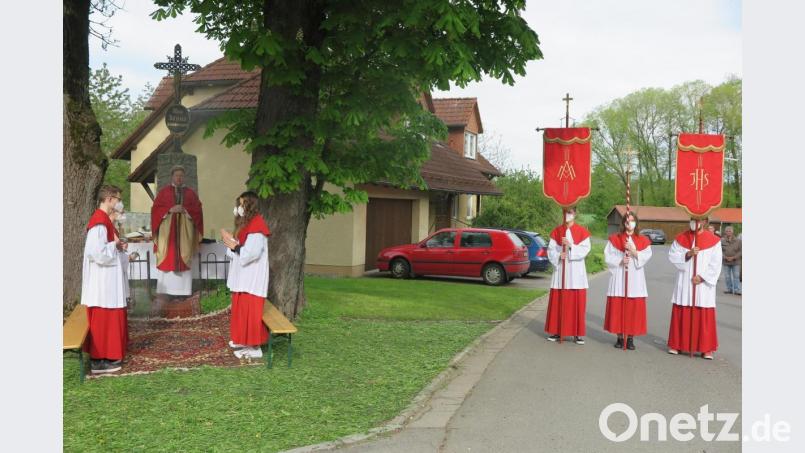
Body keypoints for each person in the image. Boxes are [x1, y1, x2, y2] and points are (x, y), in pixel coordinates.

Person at [80, 185, 129, 374]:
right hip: (102, 282)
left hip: (107, 281)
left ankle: (108, 357)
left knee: (109, 318)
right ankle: (100, 360)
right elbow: (96, 252)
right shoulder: (99, 222)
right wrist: (114, 245)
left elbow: (104, 248)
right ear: (109, 199)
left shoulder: (104, 221)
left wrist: (116, 246)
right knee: (103, 319)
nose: (119, 203)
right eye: (118, 199)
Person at [221, 192, 271, 359]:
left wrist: (234, 246)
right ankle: (242, 340)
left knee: (250, 312)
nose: (239, 208)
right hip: (243, 277)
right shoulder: (247, 225)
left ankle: (255, 347)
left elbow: (252, 253)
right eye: (239, 204)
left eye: (242, 204)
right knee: (241, 310)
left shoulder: (257, 226)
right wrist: (231, 241)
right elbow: (241, 247)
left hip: (252, 278)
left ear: (250, 206)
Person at [667, 218, 722, 359]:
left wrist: (702, 277)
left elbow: (716, 263)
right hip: (685, 281)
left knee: (703, 312)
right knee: (682, 308)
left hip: (703, 285)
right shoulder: (681, 238)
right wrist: (688, 254)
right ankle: (677, 344)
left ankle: (706, 348)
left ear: (705, 221)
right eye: (692, 219)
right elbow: (672, 256)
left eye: (698, 220)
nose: (694, 222)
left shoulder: (714, 241)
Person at [151, 166, 204, 298]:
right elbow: (155, 209)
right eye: (176, 175)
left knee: (184, 254)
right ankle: (165, 292)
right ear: (172, 177)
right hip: (167, 233)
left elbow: (198, 210)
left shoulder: (191, 194)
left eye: (181, 175)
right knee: (167, 256)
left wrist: (185, 210)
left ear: (184, 177)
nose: (179, 178)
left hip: (185, 233)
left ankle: (183, 292)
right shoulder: (164, 192)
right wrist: (169, 210)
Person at [603, 211, 652, 350]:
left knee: (632, 309)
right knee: (619, 307)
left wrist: (634, 251)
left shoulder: (642, 240)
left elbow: (647, 255)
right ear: (624, 223)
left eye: (632, 220)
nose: (629, 223)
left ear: (636, 222)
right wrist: (620, 260)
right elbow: (608, 256)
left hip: (635, 278)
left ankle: (630, 338)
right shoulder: (615, 239)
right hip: (619, 277)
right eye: (627, 221)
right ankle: (619, 337)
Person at [545, 206, 591, 344]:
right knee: (559, 302)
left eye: (570, 212)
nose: (567, 215)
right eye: (565, 212)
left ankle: (577, 333)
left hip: (576, 272)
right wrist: (559, 255)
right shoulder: (557, 231)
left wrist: (571, 247)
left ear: (575, 213)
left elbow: (585, 249)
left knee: (576, 304)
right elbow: (551, 250)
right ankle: (557, 331)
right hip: (561, 272)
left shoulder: (582, 232)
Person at [721, 226, 742, 295]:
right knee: (727, 276)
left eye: (730, 231)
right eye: (727, 231)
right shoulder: (722, 241)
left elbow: (741, 251)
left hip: (736, 262)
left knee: (736, 276)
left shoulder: (738, 241)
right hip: (725, 261)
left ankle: (737, 290)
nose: (728, 232)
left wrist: (734, 257)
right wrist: (725, 257)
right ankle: (729, 289)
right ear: (725, 232)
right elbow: (719, 251)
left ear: (732, 232)